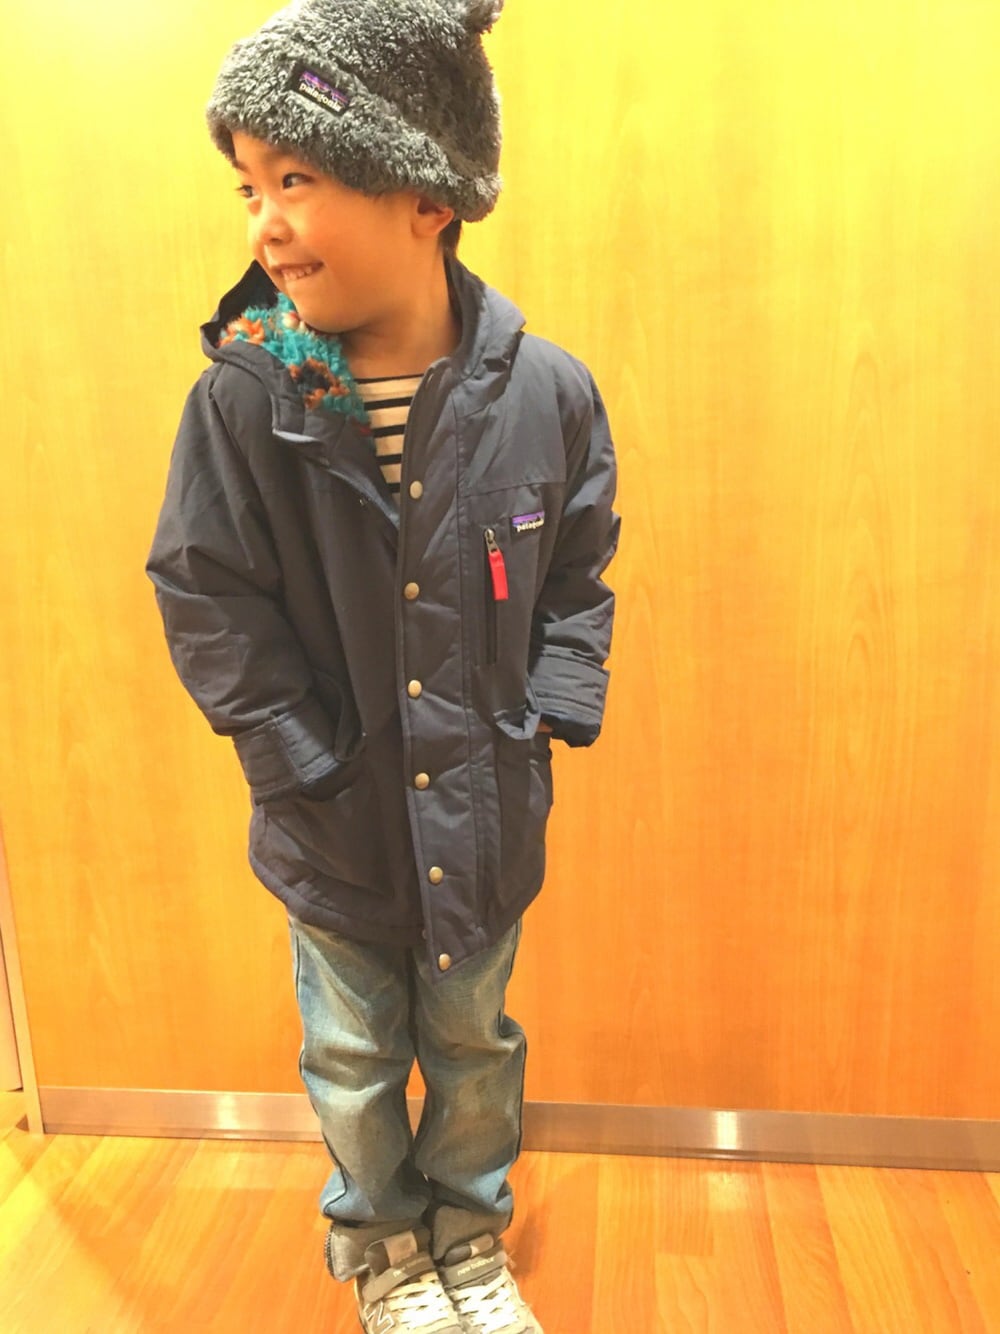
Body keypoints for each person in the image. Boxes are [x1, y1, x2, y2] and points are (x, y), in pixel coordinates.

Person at [146, 1, 620, 1330]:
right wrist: (291, 755)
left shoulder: (548, 395)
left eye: (295, 177)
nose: (265, 223)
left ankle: (470, 1236)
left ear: (426, 195)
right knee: (353, 1049)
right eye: (249, 187)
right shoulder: (251, 398)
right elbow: (205, 590)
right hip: (332, 814)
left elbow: (579, 568)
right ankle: (386, 1254)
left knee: (472, 1041)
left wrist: (553, 708)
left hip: (485, 807)